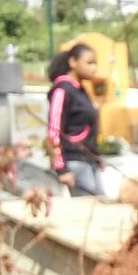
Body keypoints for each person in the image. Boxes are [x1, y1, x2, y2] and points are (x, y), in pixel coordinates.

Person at [47, 43, 103, 197]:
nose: (94, 68)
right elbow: (54, 132)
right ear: (73, 62)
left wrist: (97, 156)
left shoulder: (81, 91)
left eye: (95, 63)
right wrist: (61, 169)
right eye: (89, 63)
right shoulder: (62, 90)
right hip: (75, 161)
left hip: (89, 161)